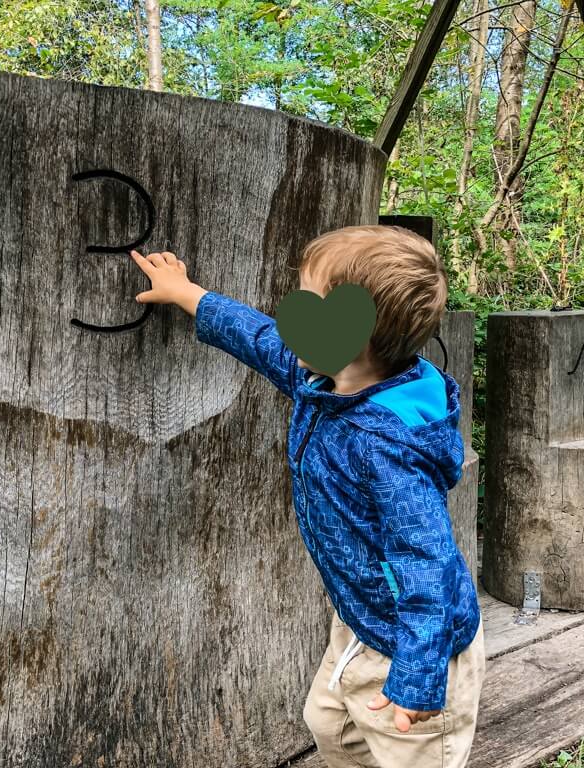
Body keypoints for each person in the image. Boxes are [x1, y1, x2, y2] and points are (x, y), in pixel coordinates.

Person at [129, 224, 485, 768]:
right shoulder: (326, 379)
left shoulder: (387, 447)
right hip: (362, 616)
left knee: (408, 753)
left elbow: (427, 564)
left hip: (415, 645)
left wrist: (417, 677)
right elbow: (263, 339)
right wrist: (189, 294)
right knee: (330, 727)